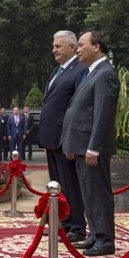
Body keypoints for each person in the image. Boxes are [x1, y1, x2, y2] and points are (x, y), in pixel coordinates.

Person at [61, 31, 120, 257]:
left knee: (97, 194)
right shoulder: (91, 73)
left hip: (92, 147)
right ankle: (95, 235)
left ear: (97, 47)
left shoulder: (105, 74)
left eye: (82, 45)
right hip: (81, 145)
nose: (78, 49)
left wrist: (93, 147)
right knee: (88, 193)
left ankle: (105, 240)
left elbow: (102, 115)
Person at [40, 30, 89, 243]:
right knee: (57, 184)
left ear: (72, 47)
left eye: (58, 46)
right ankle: (64, 223)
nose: (54, 50)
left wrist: (71, 140)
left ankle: (77, 226)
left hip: (65, 138)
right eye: (53, 46)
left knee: (70, 183)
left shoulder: (79, 71)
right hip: (52, 138)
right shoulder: (58, 71)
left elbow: (77, 108)